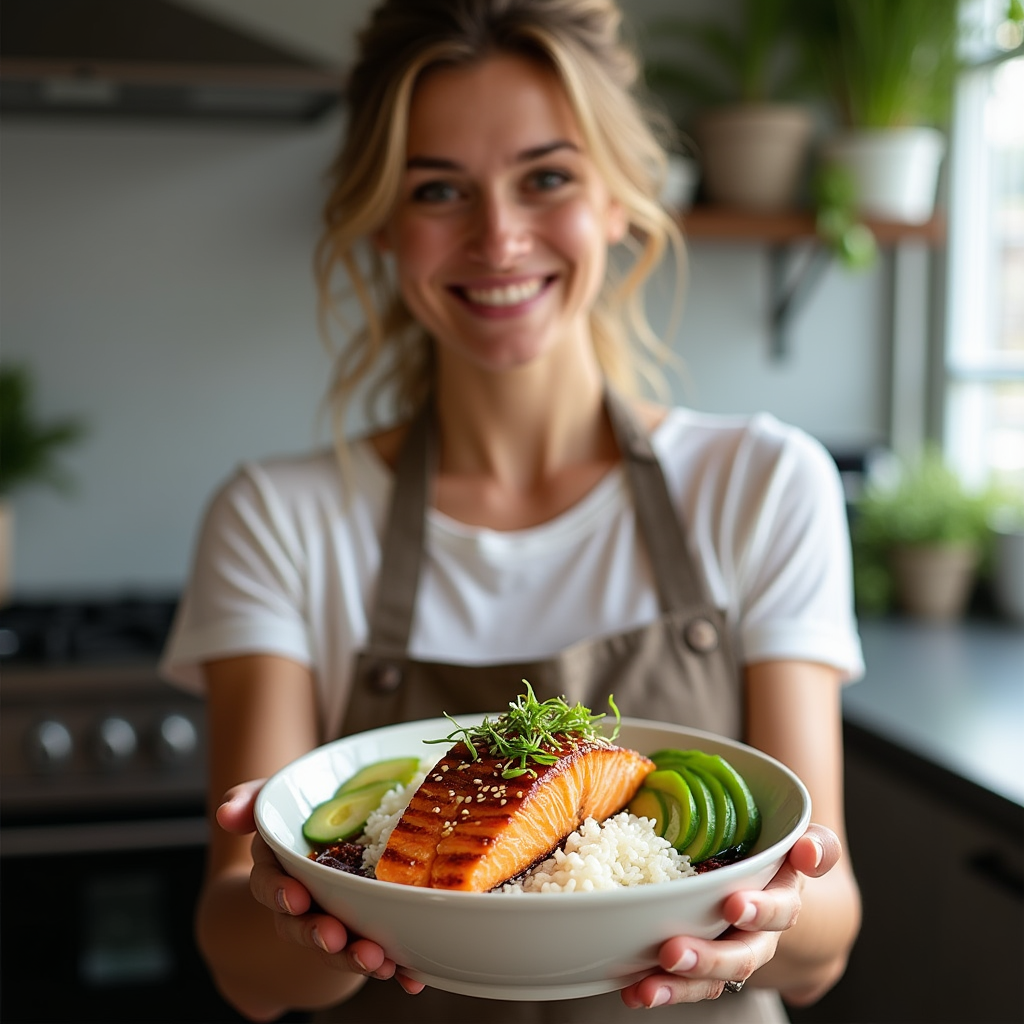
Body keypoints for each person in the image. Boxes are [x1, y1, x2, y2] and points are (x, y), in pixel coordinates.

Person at [160, 1, 863, 1021]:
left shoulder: (763, 482)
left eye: (546, 177)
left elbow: (824, 930)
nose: (498, 236)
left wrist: (774, 920)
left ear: (618, 196)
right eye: (439, 189)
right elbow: (241, 958)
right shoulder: (277, 516)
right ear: (384, 225)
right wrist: (303, 916)